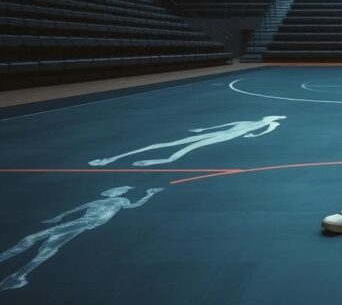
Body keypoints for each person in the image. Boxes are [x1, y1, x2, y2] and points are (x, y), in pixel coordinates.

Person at [0, 186, 163, 291]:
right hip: (82, 222)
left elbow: (134, 206)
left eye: (119, 190)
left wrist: (149, 194)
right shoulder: (100, 200)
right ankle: (18, 276)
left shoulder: (121, 200)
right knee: (48, 247)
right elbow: (76, 209)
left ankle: (15, 273)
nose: (114, 191)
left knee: (32, 238)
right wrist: (59, 217)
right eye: (116, 189)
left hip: (88, 222)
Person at [89, 116, 285, 166]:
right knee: (172, 144)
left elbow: (268, 130)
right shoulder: (248, 121)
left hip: (226, 136)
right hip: (222, 133)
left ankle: (165, 161)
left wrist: (254, 135)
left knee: (187, 147)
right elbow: (226, 124)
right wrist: (203, 129)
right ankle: (112, 158)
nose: (274, 118)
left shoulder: (267, 125)